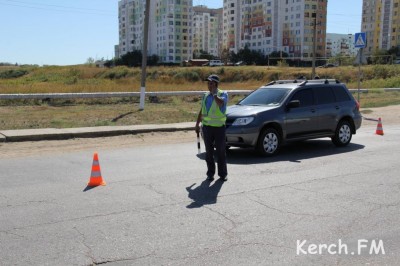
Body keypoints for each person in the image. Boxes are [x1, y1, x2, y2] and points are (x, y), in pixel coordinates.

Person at [195, 74, 229, 182]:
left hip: (219, 128)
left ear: (215, 84)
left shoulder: (223, 94)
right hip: (207, 128)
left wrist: (214, 95)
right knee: (209, 152)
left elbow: (220, 103)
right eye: (208, 83)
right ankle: (210, 173)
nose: (208, 85)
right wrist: (197, 123)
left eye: (211, 83)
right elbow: (202, 110)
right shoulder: (205, 95)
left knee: (220, 152)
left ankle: (223, 174)